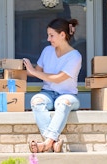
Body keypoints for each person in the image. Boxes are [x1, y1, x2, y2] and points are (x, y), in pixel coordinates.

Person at [23, 18, 82, 153]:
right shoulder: (47, 51)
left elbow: (58, 79)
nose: (48, 39)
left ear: (62, 35)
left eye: (51, 35)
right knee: (36, 101)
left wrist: (33, 72)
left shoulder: (75, 56)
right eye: (48, 35)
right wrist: (23, 68)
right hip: (48, 93)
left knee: (63, 102)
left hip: (68, 95)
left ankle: (46, 143)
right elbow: (37, 72)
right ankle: (53, 143)